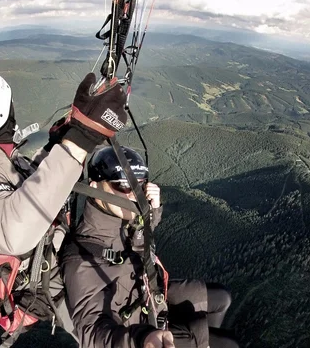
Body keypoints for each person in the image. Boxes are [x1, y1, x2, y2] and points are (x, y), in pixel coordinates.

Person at [0, 69, 128, 346]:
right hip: (56, 286)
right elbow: (14, 232)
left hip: (65, 262)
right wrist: (82, 137)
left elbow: (32, 181)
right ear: (4, 114)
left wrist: (62, 141)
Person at [60, 146, 239, 348]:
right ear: (94, 187)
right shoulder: (82, 256)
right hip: (134, 328)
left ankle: (202, 341)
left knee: (221, 298)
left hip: (147, 295)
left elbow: (138, 242)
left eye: (139, 185)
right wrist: (141, 338)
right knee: (227, 344)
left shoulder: (122, 219)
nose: (134, 195)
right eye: (123, 185)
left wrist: (151, 214)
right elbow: (91, 333)